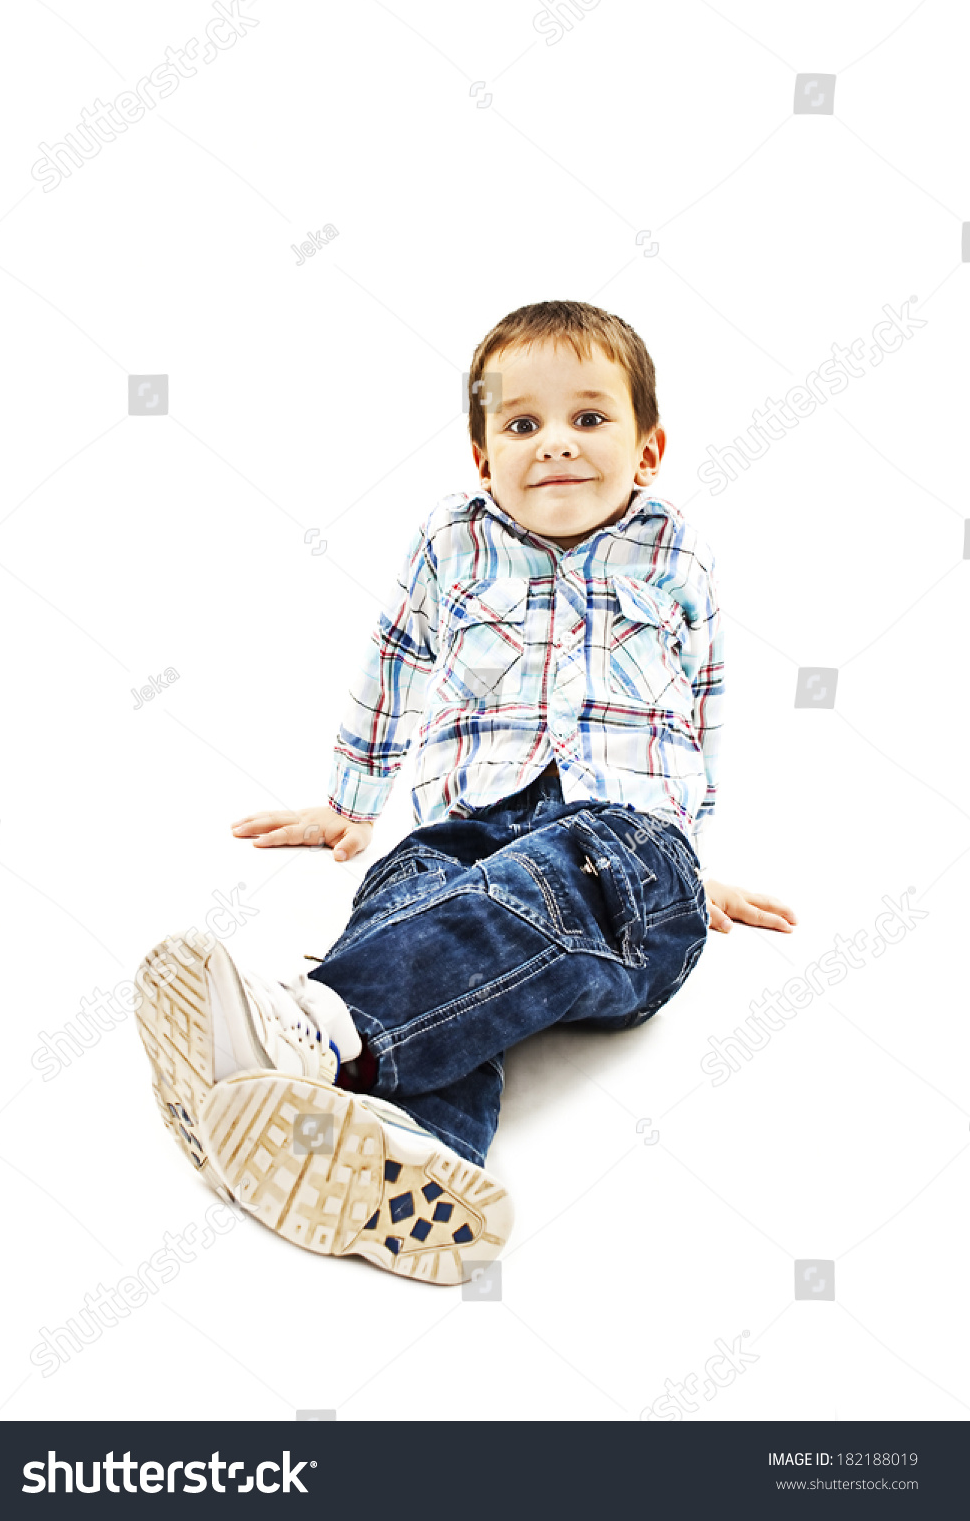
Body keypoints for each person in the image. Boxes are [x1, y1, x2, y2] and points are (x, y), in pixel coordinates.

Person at [134, 299, 796, 1287]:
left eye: (588, 417)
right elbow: (394, 658)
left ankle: (315, 1027)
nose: (555, 444)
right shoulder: (453, 541)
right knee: (417, 892)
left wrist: (692, 857)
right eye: (521, 425)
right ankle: (402, 1150)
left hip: (625, 854)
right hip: (464, 828)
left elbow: (702, 698)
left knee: (556, 872)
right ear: (483, 460)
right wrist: (351, 802)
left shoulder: (675, 552)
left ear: (647, 450)